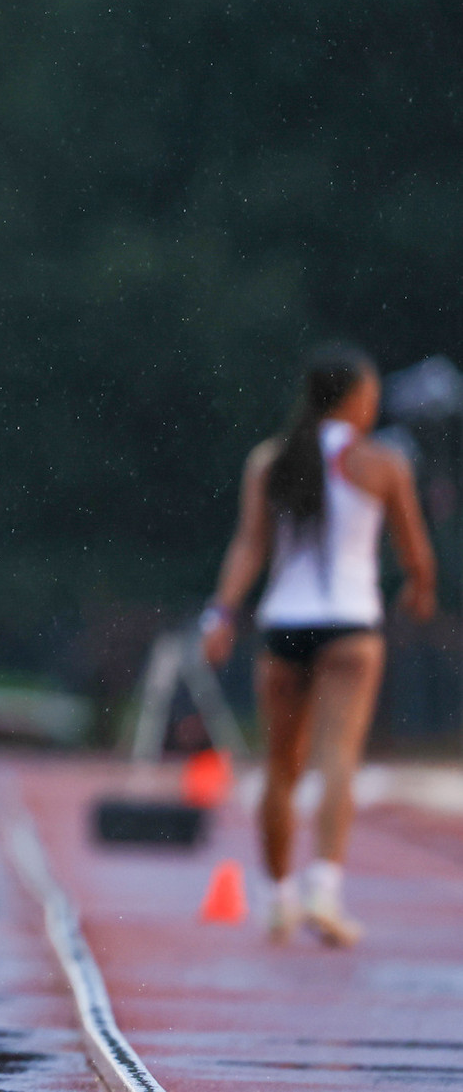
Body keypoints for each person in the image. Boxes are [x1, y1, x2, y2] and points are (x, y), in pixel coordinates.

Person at [202, 344, 435, 946]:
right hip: (351, 628)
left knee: (280, 768)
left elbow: (248, 545)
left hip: (283, 626)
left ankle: (277, 899)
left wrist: (222, 613)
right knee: (337, 762)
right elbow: (416, 554)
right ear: (358, 400)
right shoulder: (382, 463)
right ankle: (323, 891)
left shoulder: (271, 460)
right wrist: (420, 589)